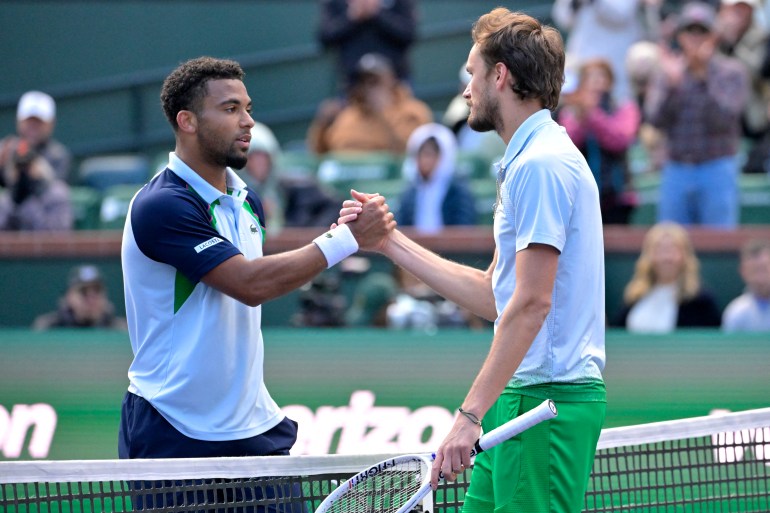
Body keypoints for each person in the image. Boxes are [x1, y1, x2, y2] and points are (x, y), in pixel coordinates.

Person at [337, 8, 606, 512]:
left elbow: (530, 305)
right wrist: (388, 242)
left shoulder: (542, 165)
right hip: (519, 397)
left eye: (471, 74)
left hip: (545, 403)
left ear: (499, 76)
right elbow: (495, 296)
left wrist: (468, 415)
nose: (466, 89)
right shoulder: (528, 161)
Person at [118, 56, 394, 468]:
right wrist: (347, 238)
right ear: (187, 121)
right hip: (172, 430)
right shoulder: (161, 206)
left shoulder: (249, 202)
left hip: (252, 428)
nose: (248, 121)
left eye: (248, 108)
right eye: (231, 109)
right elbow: (250, 285)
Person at [645, 1, 749, 229]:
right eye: (689, 31)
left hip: (717, 168)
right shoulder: (668, 73)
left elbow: (725, 120)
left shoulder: (732, 72)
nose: (695, 37)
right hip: (677, 168)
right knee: (671, 243)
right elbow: (655, 120)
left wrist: (702, 78)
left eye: (702, 31)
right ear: (680, 36)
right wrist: (673, 87)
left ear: (713, 36)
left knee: (719, 245)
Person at [558, 58, 641, 224]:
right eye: (590, 78)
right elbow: (569, 143)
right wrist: (581, 114)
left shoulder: (623, 107)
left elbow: (620, 139)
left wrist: (592, 115)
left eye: (602, 77)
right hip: (580, 197)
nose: (596, 83)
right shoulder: (570, 112)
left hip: (617, 197)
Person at [306, 52, 432, 155]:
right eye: (363, 82)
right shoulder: (347, 114)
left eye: (375, 81)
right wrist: (322, 125)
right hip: (349, 183)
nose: (368, 88)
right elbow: (320, 156)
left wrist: (383, 114)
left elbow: (411, 156)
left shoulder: (412, 111)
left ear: (391, 81)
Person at [614, 222, 722, 332]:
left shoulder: (700, 302)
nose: (666, 258)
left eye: (673, 250)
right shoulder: (634, 297)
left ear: (685, 256)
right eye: (660, 250)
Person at [551, 0, 653, 102]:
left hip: (616, 58)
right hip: (583, 54)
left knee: (616, 104)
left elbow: (621, 13)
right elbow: (563, 18)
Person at [317, 0, 417, 90]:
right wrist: (351, 17)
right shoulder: (335, 3)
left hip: (396, 81)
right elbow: (325, 38)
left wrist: (377, 12)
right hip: (353, 85)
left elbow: (409, 34)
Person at [396, 123, 477, 232]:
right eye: (421, 154)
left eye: (430, 154)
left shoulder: (458, 189)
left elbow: (464, 227)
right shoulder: (410, 191)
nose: (425, 161)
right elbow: (402, 226)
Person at [0, 138, 73, 231]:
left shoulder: (57, 194)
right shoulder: (7, 198)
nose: (23, 172)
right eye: (19, 167)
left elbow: (57, 234)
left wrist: (29, 202)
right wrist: (14, 203)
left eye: (28, 166)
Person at [0, 91, 71, 185]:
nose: (33, 127)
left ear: (51, 124)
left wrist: (40, 172)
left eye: (39, 122)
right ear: (18, 121)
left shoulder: (58, 155)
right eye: (29, 121)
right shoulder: (7, 149)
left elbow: (59, 191)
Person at [33, 265, 127, 330]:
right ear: (69, 296)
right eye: (83, 291)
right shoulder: (48, 329)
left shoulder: (121, 331)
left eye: (97, 290)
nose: (91, 298)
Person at [239, 121, 286, 235]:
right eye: (253, 157)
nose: (260, 163)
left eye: (264, 156)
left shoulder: (286, 188)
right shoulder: (232, 192)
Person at [722, 238, 770, 332]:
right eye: (755, 270)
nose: (760, 278)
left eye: (764, 269)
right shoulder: (736, 312)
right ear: (743, 272)